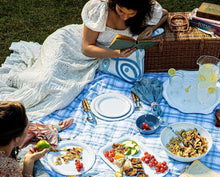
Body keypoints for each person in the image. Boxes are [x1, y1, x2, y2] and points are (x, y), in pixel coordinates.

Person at [0, 0, 168, 120]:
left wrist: (150, 29)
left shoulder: (147, 10)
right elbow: (87, 48)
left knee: (63, 93)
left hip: (95, 58)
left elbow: (166, 15)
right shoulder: (99, 9)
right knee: (45, 83)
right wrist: (116, 53)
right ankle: (12, 94)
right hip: (68, 45)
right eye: (121, 11)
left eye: (131, 14)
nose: (125, 17)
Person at [0, 101, 48, 177]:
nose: (29, 132)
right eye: (26, 130)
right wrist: (28, 164)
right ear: (16, 139)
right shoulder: (7, 167)